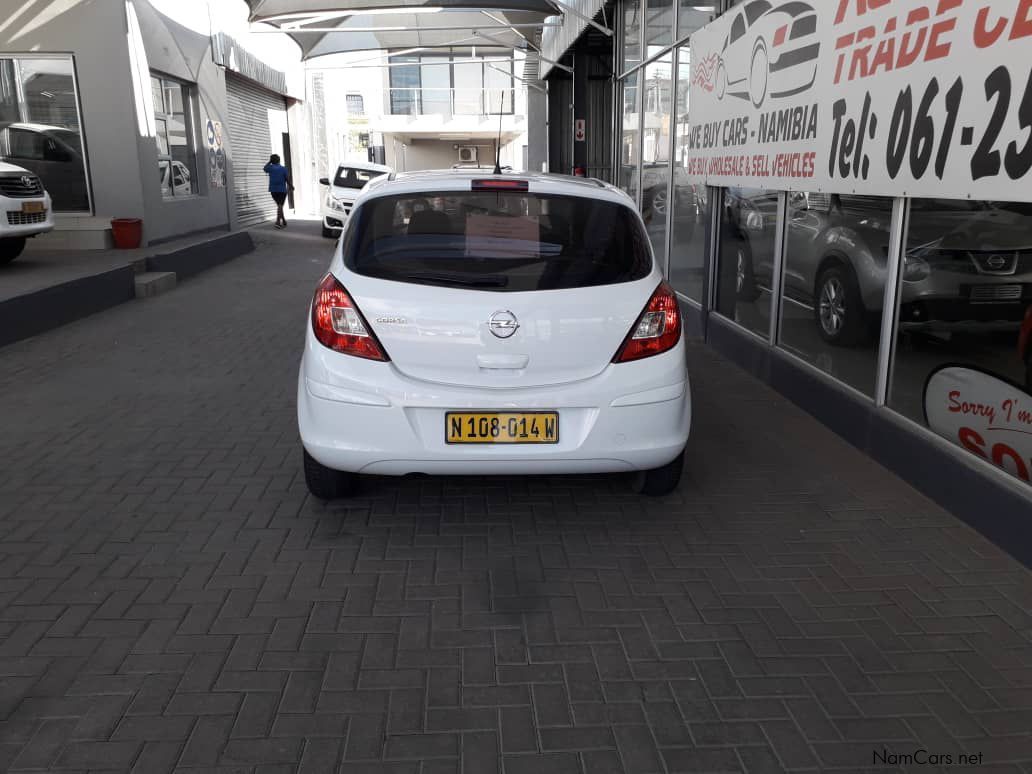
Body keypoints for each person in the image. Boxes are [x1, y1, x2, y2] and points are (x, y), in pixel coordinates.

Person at [263, 154, 293, 229]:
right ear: (279, 160)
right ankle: (278, 221)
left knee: (279, 206)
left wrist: (270, 161)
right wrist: (291, 186)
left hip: (273, 190)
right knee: (280, 205)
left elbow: (264, 168)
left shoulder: (270, 168)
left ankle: (283, 220)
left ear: (272, 161)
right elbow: (287, 179)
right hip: (282, 190)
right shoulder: (283, 169)